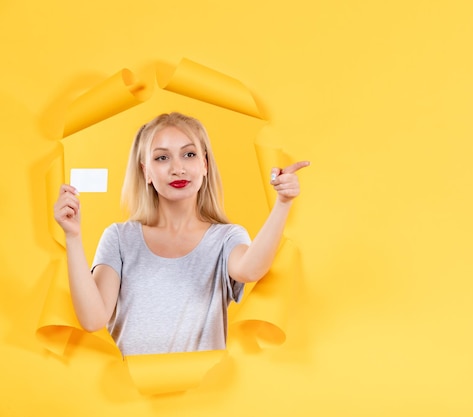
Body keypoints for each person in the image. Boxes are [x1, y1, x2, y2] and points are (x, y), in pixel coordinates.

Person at [53, 112, 309, 356]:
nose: (178, 168)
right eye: (162, 158)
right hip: (133, 395)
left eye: (189, 154)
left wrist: (283, 202)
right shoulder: (119, 238)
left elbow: (250, 270)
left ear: (205, 165)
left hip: (203, 395)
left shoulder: (226, 238)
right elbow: (93, 318)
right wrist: (73, 237)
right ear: (146, 172)